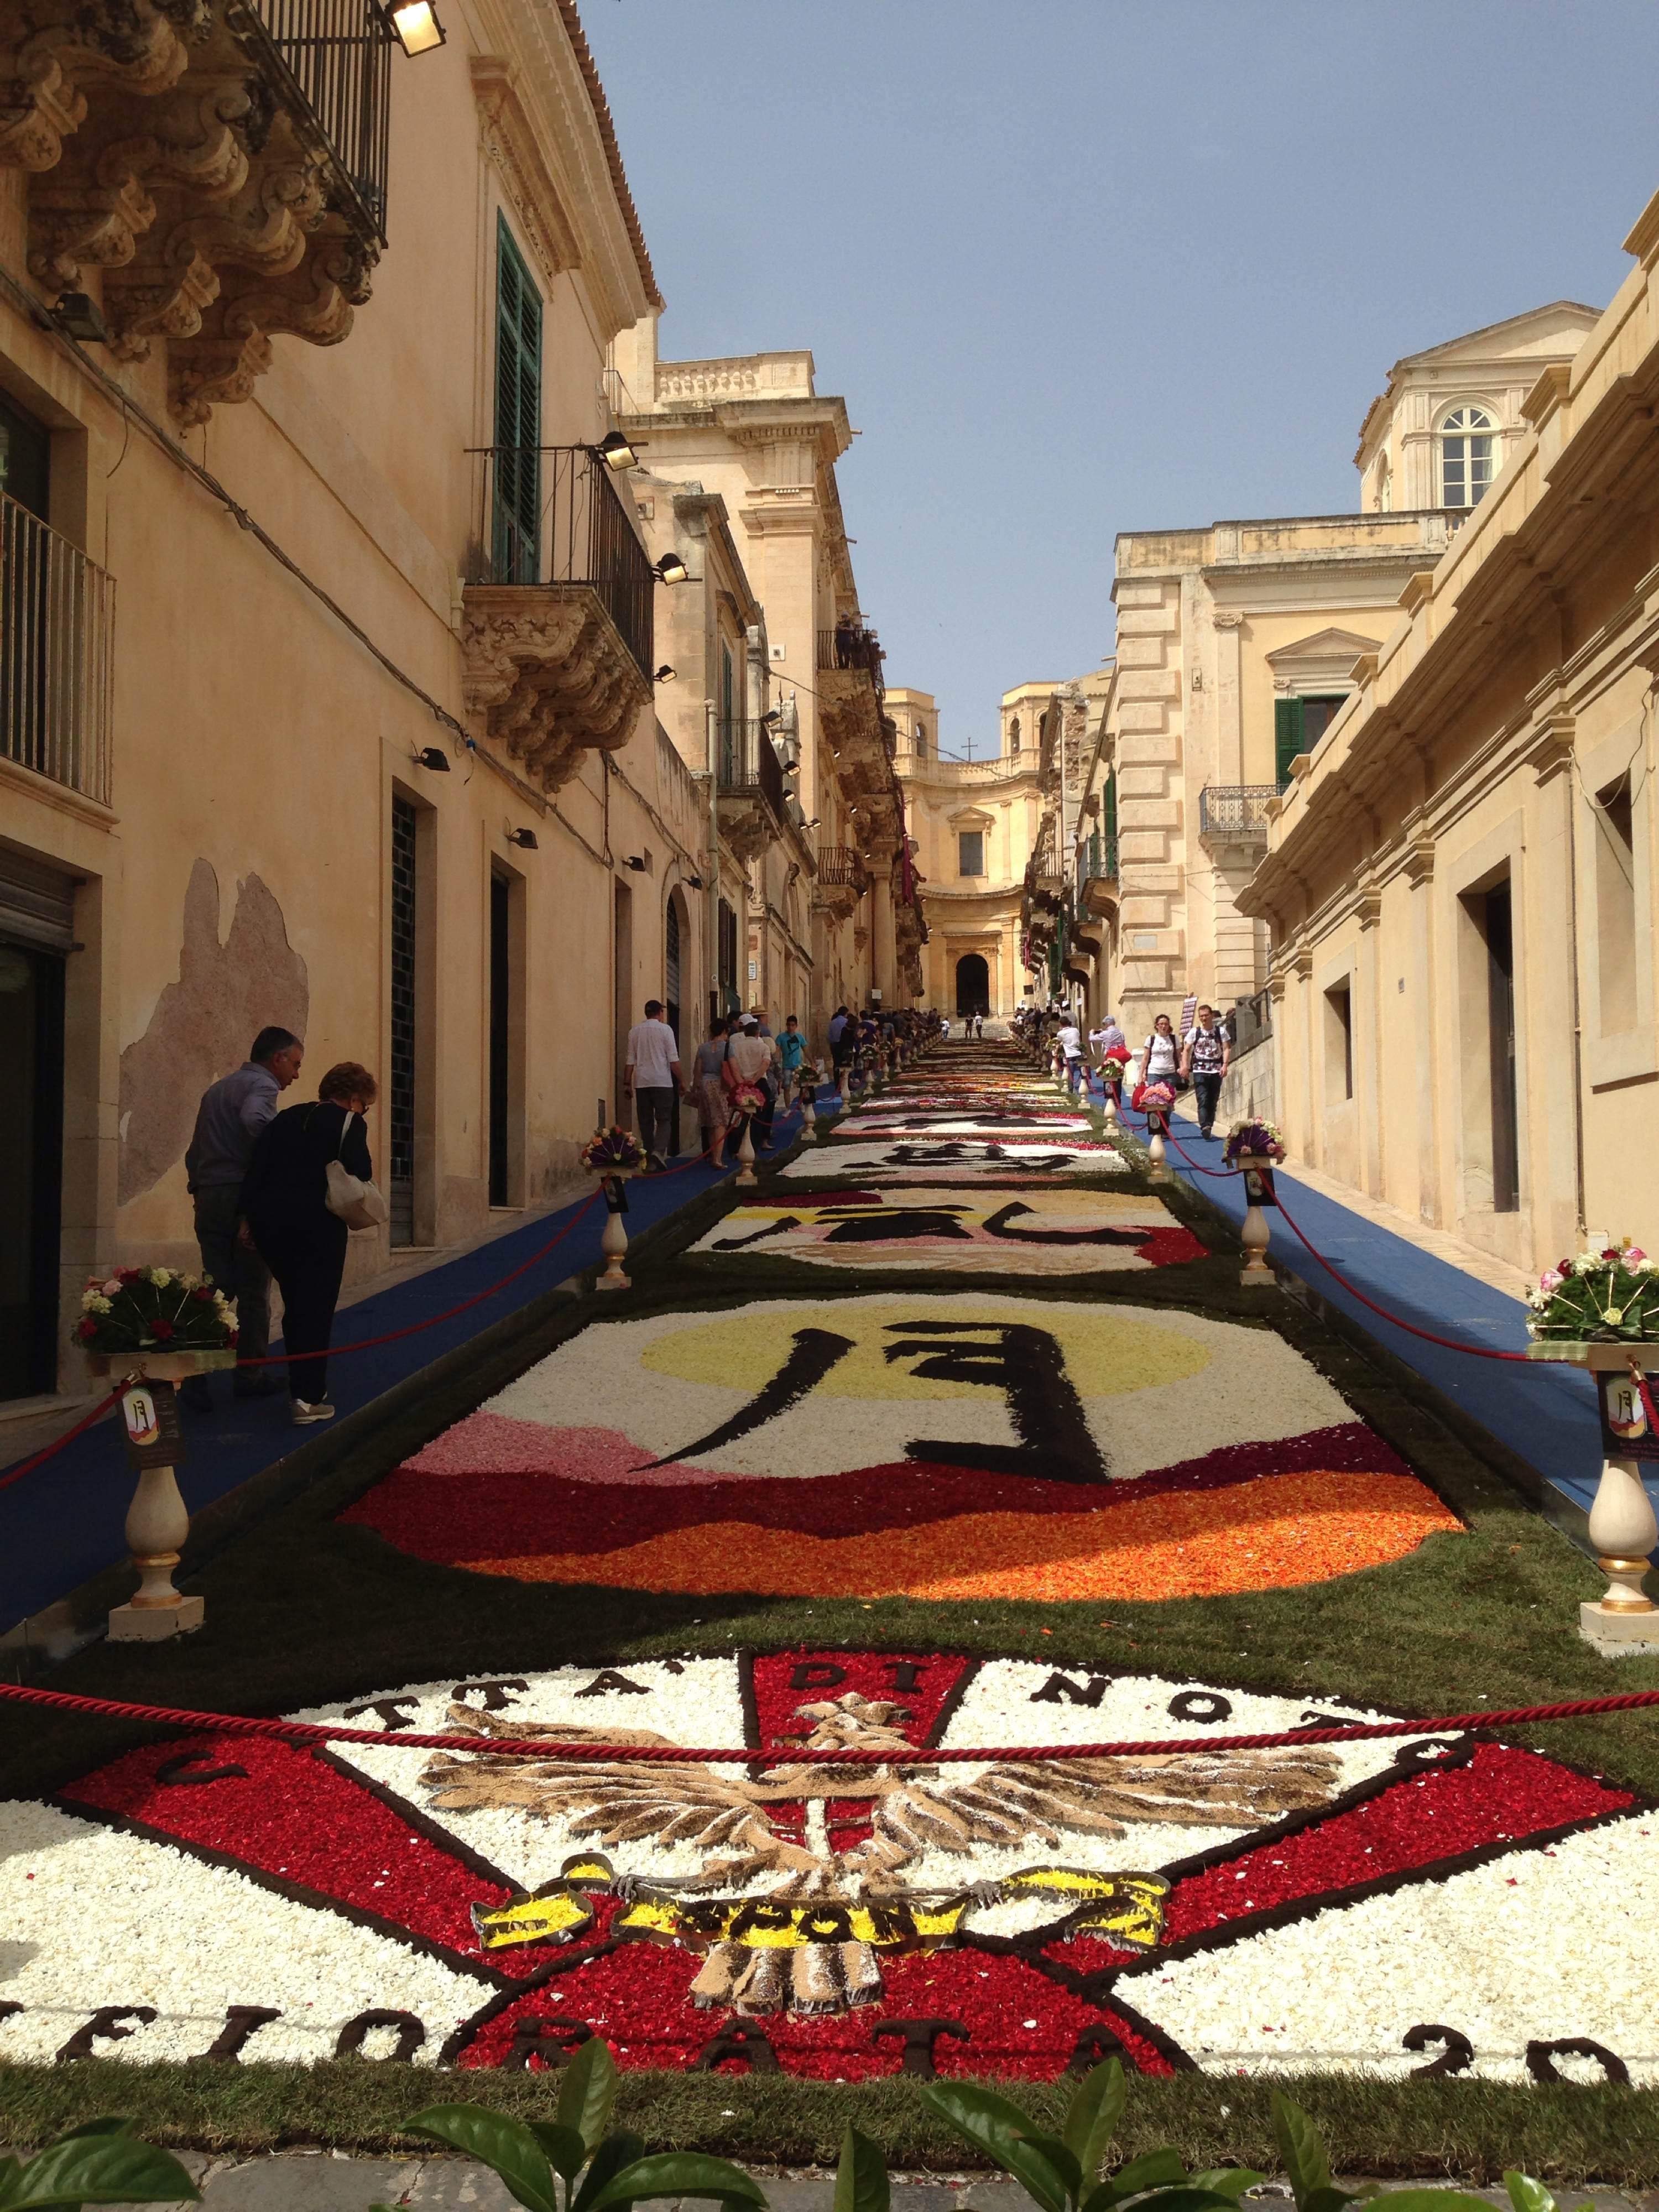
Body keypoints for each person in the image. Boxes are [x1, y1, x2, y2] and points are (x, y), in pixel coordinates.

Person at [240, 1061, 377, 1425]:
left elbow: (256, 1170)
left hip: (272, 1225)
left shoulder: (285, 1119)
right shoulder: (349, 1122)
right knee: (315, 1309)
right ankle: (307, 1397)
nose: (365, 1112)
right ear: (353, 1099)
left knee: (296, 1302)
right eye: (366, 1106)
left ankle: (303, 1384)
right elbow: (361, 1170)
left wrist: (248, 1220)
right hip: (317, 1225)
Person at [179, 1025, 305, 1410]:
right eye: (295, 1064)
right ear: (277, 1058)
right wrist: (281, 1155)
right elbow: (257, 1122)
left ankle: (192, 1372)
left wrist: (199, 1189)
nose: (296, 1075)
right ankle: (249, 1376)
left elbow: (194, 1151)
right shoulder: (263, 1087)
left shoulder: (216, 1090)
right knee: (253, 1293)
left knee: (216, 1291)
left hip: (210, 1195)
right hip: (244, 1197)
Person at [624, 999, 684, 1170]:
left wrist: (627, 1083)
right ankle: (659, 1152)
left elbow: (630, 1060)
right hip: (662, 1081)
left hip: (642, 1082)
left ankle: (649, 1158)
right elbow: (673, 1059)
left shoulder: (634, 1032)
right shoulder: (666, 1030)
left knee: (646, 1122)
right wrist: (682, 1080)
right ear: (660, 1013)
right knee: (664, 1119)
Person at [724, 1014, 777, 1149]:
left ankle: (735, 1148)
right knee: (759, 1117)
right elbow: (766, 1064)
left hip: (741, 1082)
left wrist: (741, 1081)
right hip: (759, 1083)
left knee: (739, 1116)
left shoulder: (736, 1047)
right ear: (758, 1033)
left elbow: (733, 1066)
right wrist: (754, 1079)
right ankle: (754, 1146)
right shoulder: (763, 1046)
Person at [1182, 1002, 1230, 1140]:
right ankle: (1205, 1126)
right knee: (1203, 1098)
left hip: (1216, 1069)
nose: (1204, 1018)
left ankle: (1210, 1123)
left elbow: (1226, 1048)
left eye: (1206, 1015)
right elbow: (1186, 1050)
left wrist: (1225, 1065)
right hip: (1200, 1070)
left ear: (1211, 1016)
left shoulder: (1220, 1032)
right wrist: (1185, 1066)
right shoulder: (1194, 1032)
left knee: (1213, 1100)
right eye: (1201, 1016)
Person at [692, 1016, 732, 1168]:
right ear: (724, 1031)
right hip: (720, 1085)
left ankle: (712, 1155)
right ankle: (718, 1158)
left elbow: (698, 1070)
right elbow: (732, 1067)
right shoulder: (728, 1047)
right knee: (720, 1122)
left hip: (705, 1085)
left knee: (709, 1122)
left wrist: (696, 1087)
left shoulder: (703, 1048)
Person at [1142, 1013, 1182, 1089]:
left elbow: (1179, 1056)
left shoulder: (1174, 1038)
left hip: (1170, 1074)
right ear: (1157, 1026)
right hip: (1154, 1074)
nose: (1164, 1026)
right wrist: (1142, 1074)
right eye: (1161, 1024)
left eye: (1166, 1024)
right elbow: (1145, 1058)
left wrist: (1182, 1068)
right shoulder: (1151, 1039)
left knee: (1169, 1098)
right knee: (1154, 1099)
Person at [779, 1013, 806, 1104]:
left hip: (798, 1065)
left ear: (796, 1026)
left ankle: (800, 1103)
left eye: (793, 1025)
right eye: (789, 1025)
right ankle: (788, 1108)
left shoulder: (800, 1037)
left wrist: (812, 1062)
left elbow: (806, 1049)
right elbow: (777, 1049)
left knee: (803, 1086)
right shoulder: (781, 1037)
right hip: (787, 1066)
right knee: (787, 1087)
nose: (791, 1027)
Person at [1056, 1013, 1084, 1091]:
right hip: (1079, 1053)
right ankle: (1086, 1085)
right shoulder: (1075, 1030)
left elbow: (1059, 1041)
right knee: (1083, 1072)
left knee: (1071, 1073)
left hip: (1070, 1054)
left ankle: (1071, 1088)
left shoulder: (1060, 1033)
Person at [828, 1004, 851, 1074]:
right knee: (846, 1064)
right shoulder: (847, 1022)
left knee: (836, 1064)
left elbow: (829, 1036)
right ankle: (845, 1081)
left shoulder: (832, 1023)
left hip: (835, 1045)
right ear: (846, 1013)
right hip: (844, 1045)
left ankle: (837, 1081)